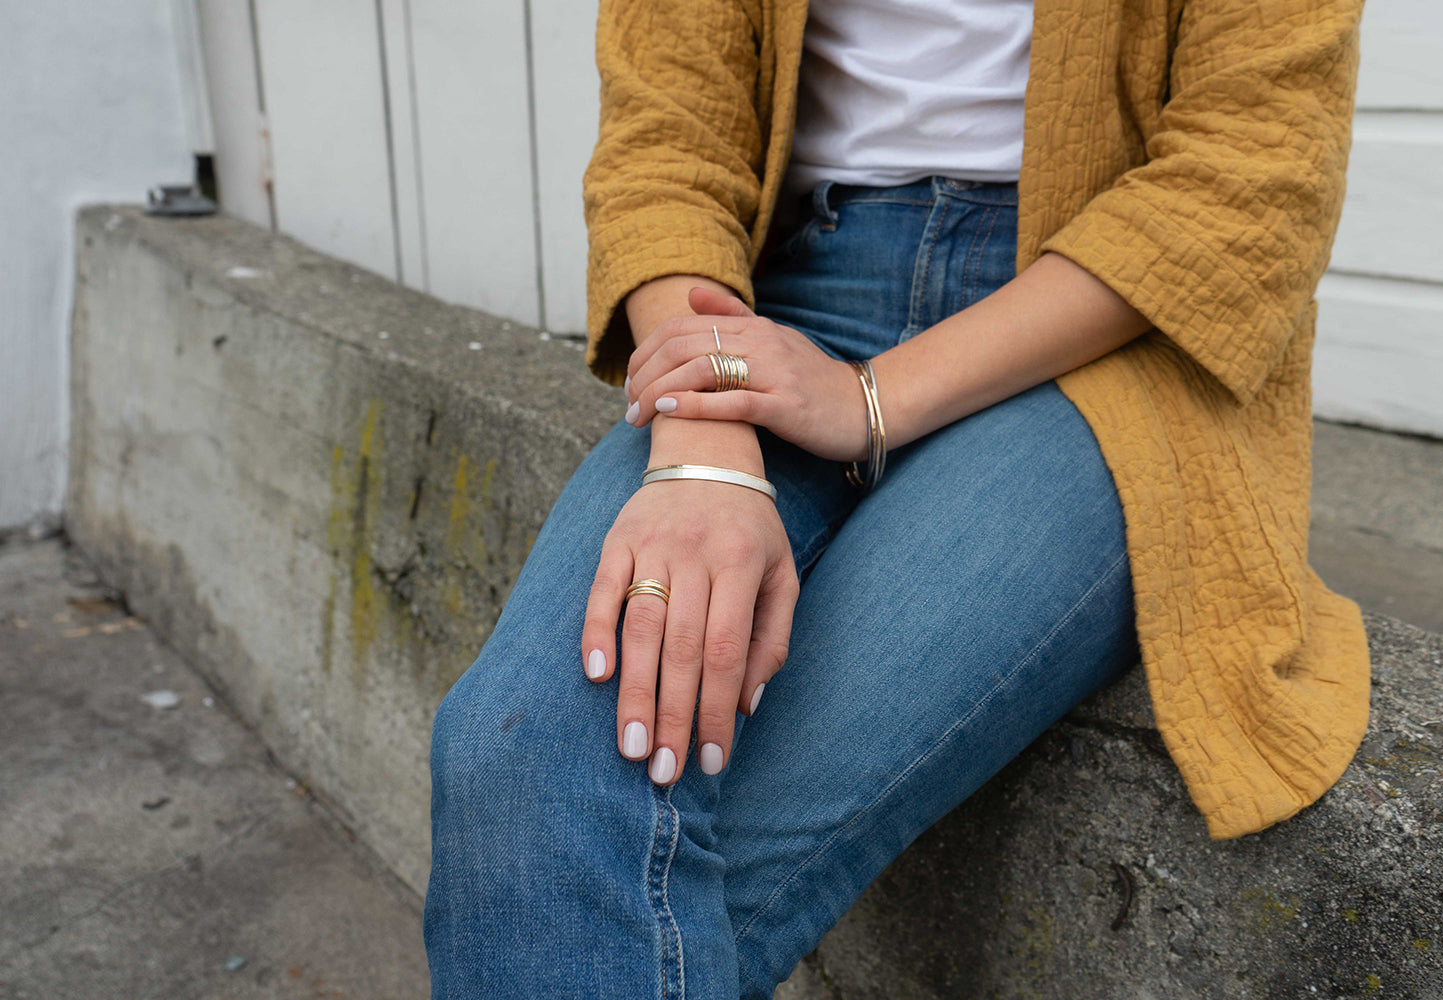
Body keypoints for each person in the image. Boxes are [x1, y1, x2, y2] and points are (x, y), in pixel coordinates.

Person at [423, 0, 1371, 996]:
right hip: (785, 295)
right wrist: (703, 417)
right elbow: (665, 137)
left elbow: (1249, 181)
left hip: (1101, 336)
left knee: (644, 868)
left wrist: (869, 399)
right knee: (517, 762)